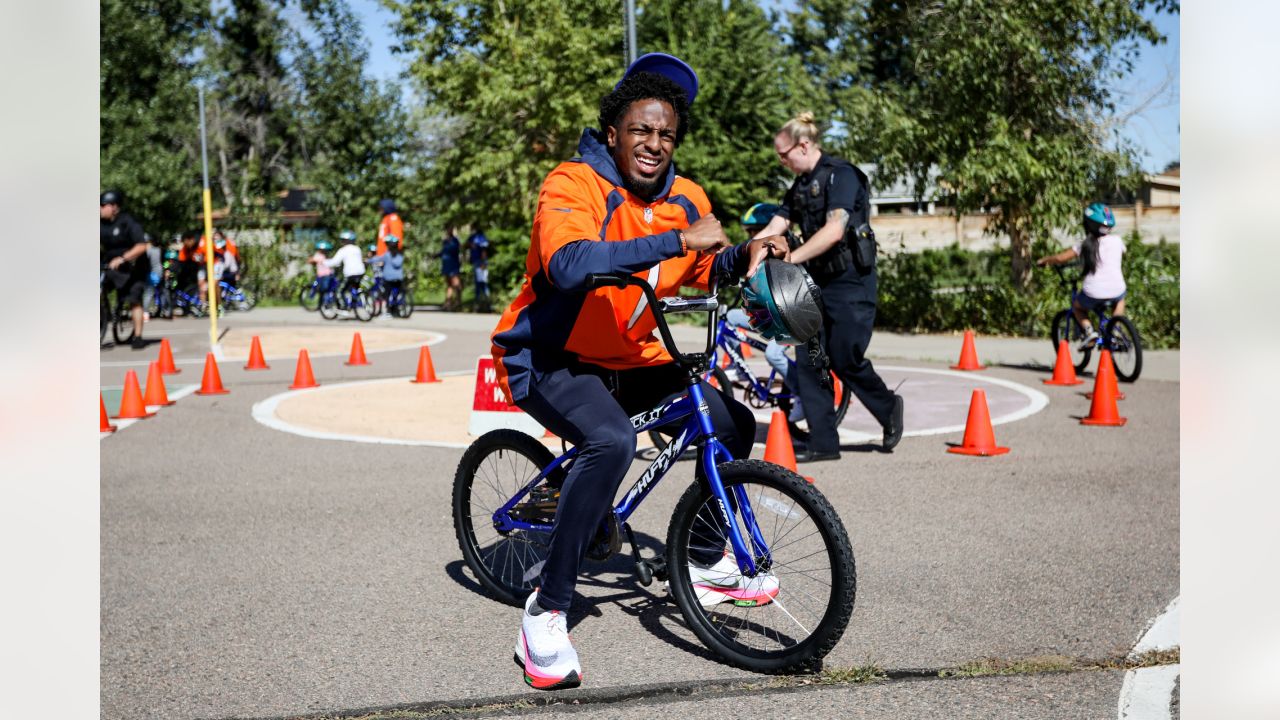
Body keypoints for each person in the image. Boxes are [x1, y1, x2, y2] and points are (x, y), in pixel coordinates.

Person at [489, 52, 791, 691]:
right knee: (611, 441)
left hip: (632, 359)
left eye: (667, 133)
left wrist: (745, 254)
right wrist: (678, 242)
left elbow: (702, 272)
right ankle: (546, 609)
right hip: (551, 357)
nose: (655, 144)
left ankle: (709, 563)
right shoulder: (573, 184)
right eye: (641, 130)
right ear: (613, 134)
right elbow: (569, 264)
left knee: (729, 421)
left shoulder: (689, 199)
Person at [749, 112, 904, 461]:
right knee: (810, 359)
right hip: (815, 282)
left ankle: (889, 406)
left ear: (803, 145)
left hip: (850, 282)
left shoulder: (842, 175)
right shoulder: (799, 187)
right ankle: (823, 443)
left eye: (783, 154)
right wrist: (741, 254)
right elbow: (777, 223)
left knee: (845, 356)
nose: (781, 160)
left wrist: (793, 259)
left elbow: (835, 230)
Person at [724, 202, 804, 421]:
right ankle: (737, 366)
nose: (753, 236)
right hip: (769, 315)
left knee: (772, 353)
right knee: (729, 318)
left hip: (790, 317)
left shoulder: (786, 250)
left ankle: (802, 395)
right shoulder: (758, 253)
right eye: (750, 232)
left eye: (755, 231)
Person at [1036, 203, 1126, 348]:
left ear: (1087, 225)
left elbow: (1060, 258)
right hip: (1117, 288)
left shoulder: (1084, 245)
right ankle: (1114, 329)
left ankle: (1089, 332)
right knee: (1120, 301)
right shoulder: (1117, 241)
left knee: (1077, 307)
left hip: (1093, 292)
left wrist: (1044, 261)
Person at [100, 190, 150, 349]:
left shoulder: (128, 222)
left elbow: (142, 246)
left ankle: (137, 336)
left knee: (134, 300)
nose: (100, 209)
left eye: (103, 206)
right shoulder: (101, 225)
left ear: (114, 206)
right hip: (112, 267)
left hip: (133, 268)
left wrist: (123, 258)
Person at [325, 230, 366, 312]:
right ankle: (354, 305)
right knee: (355, 289)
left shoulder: (343, 250)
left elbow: (335, 262)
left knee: (340, 291)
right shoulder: (357, 249)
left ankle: (344, 307)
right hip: (360, 273)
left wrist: (324, 262)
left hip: (350, 274)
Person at [370, 235, 407, 316]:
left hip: (389, 278)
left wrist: (369, 260)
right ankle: (395, 309)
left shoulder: (387, 255)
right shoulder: (400, 254)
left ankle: (388, 309)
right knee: (398, 293)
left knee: (387, 294)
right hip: (399, 278)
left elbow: (377, 259)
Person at [465, 226, 491, 312]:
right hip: (478, 262)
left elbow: (484, 250)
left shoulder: (480, 237)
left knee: (481, 283)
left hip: (480, 263)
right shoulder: (475, 237)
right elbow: (466, 244)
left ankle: (484, 305)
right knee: (481, 283)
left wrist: (483, 263)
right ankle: (482, 305)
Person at [438, 227, 462, 311]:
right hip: (446, 265)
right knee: (449, 284)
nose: (449, 231)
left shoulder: (455, 241)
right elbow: (443, 252)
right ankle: (448, 303)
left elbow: (457, 250)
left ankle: (458, 301)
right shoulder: (445, 241)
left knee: (456, 284)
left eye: (450, 229)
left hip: (453, 265)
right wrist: (436, 255)